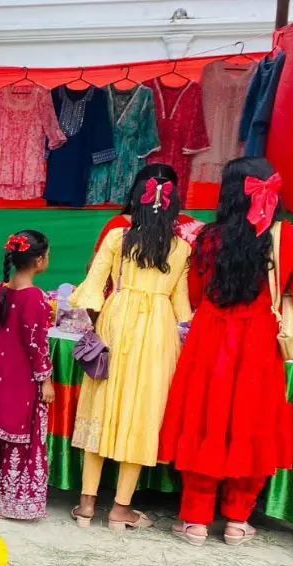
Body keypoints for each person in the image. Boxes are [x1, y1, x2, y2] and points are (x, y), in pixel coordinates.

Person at [159, 157, 293, 546]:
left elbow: (196, 295)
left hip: (210, 340)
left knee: (204, 420)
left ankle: (196, 520)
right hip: (258, 345)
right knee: (252, 424)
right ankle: (236, 520)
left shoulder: (208, 237)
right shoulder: (289, 237)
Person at [69, 162, 192, 532]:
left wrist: (97, 321)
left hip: (116, 319)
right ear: (172, 205)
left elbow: (91, 289)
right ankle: (121, 509)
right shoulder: (182, 248)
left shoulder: (116, 238)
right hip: (157, 329)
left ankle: (86, 504)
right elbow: (181, 306)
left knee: (101, 405)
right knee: (142, 413)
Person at [0, 231, 55, 520]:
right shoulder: (35, 298)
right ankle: (24, 504)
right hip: (26, 382)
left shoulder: (1, 291)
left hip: (5, 379)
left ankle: (8, 501)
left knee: (10, 444)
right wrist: (45, 379)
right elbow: (37, 344)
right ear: (40, 260)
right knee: (30, 442)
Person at [91, 164, 202, 298]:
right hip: (168, 309)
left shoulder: (119, 226)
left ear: (135, 195)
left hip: (120, 307)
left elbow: (94, 270)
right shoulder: (194, 229)